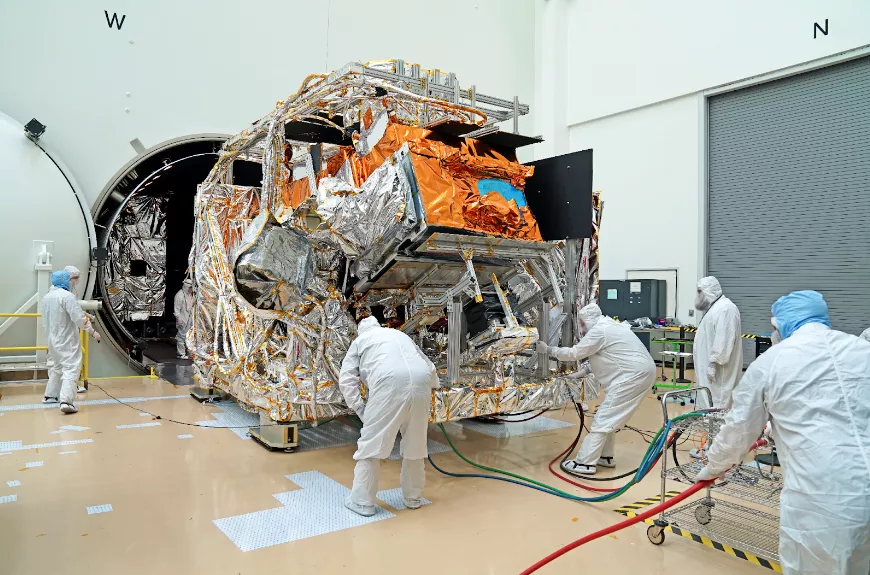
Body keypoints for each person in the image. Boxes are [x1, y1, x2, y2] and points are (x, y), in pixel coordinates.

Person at [696, 291, 870, 575]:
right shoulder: (859, 349)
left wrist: (714, 467)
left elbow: (738, 430)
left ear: (781, 325)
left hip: (824, 497)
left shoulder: (771, 362)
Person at [537, 303, 656, 476]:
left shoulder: (600, 331)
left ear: (587, 320)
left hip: (631, 377)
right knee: (609, 417)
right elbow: (609, 355)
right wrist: (581, 373)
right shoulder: (609, 326)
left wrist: (548, 350)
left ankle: (585, 463)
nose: (581, 328)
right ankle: (606, 457)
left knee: (604, 418)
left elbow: (575, 353)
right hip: (638, 374)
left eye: (582, 323)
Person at [339, 316, 439, 516]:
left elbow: (346, 379)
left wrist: (360, 409)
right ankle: (413, 498)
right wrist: (432, 386)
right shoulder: (399, 335)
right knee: (416, 445)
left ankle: (362, 502)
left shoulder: (360, 341)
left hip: (389, 384)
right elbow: (429, 367)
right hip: (421, 383)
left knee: (371, 445)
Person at [42, 270, 101, 414]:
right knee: (71, 368)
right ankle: (66, 401)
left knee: (56, 367)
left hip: (52, 339)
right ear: (65, 281)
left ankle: (50, 396)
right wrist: (93, 332)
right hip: (66, 339)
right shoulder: (67, 296)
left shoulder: (47, 297)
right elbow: (79, 319)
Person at [692, 276, 743, 411]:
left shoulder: (726, 308)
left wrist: (714, 363)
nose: (698, 296)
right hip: (709, 374)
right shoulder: (715, 308)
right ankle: (710, 431)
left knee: (718, 408)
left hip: (719, 374)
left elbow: (724, 340)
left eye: (699, 291)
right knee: (709, 409)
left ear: (709, 291)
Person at [62, 265, 89, 393]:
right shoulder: (67, 295)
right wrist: (92, 331)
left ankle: (53, 394)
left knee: (58, 365)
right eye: (75, 278)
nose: (76, 281)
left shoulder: (53, 292)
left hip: (56, 335)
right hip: (67, 334)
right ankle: (68, 395)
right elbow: (77, 317)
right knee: (72, 364)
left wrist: (85, 314)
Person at [173, 279, 194, 359]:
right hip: (183, 319)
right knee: (181, 336)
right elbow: (176, 309)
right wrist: (178, 318)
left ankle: (189, 353)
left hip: (190, 319)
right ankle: (181, 353)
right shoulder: (179, 295)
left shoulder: (190, 295)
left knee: (189, 336)